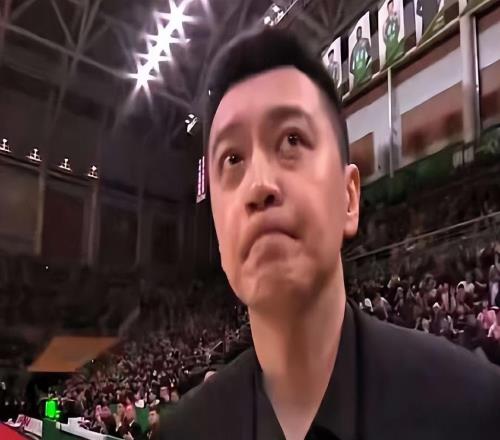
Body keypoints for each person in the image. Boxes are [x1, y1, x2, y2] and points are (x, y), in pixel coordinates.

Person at [160, 26, 500, 440]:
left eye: (291, 139)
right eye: (232, 159)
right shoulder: (183, 432)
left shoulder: (475, 409)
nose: (258, 185)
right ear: (217, 227)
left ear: (349, 197)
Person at [382, 0, 404, 66]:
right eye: (390, 7)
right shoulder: (385, 23)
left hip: (396, 47)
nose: (391, 8)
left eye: (392, 6)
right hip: (389, 51)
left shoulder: (396, 17)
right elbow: (384, 37)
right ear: (387, 8)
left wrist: (396, 15)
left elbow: (399, 26)